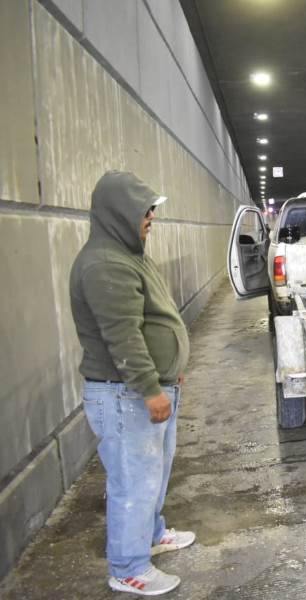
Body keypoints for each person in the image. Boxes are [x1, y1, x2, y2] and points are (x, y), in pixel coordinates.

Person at [70, 171, 194, 595]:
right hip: (126, 395)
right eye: (144, 210)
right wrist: (150, 387)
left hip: (147, 388)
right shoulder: (105, 264)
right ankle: (128, 567)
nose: (151, 217)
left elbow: (153, 318)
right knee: (133, 482)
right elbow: (122, 337)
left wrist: (168, 368)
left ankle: (152, 535)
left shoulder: (129, 254)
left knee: (153, 474)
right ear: (118, 212)